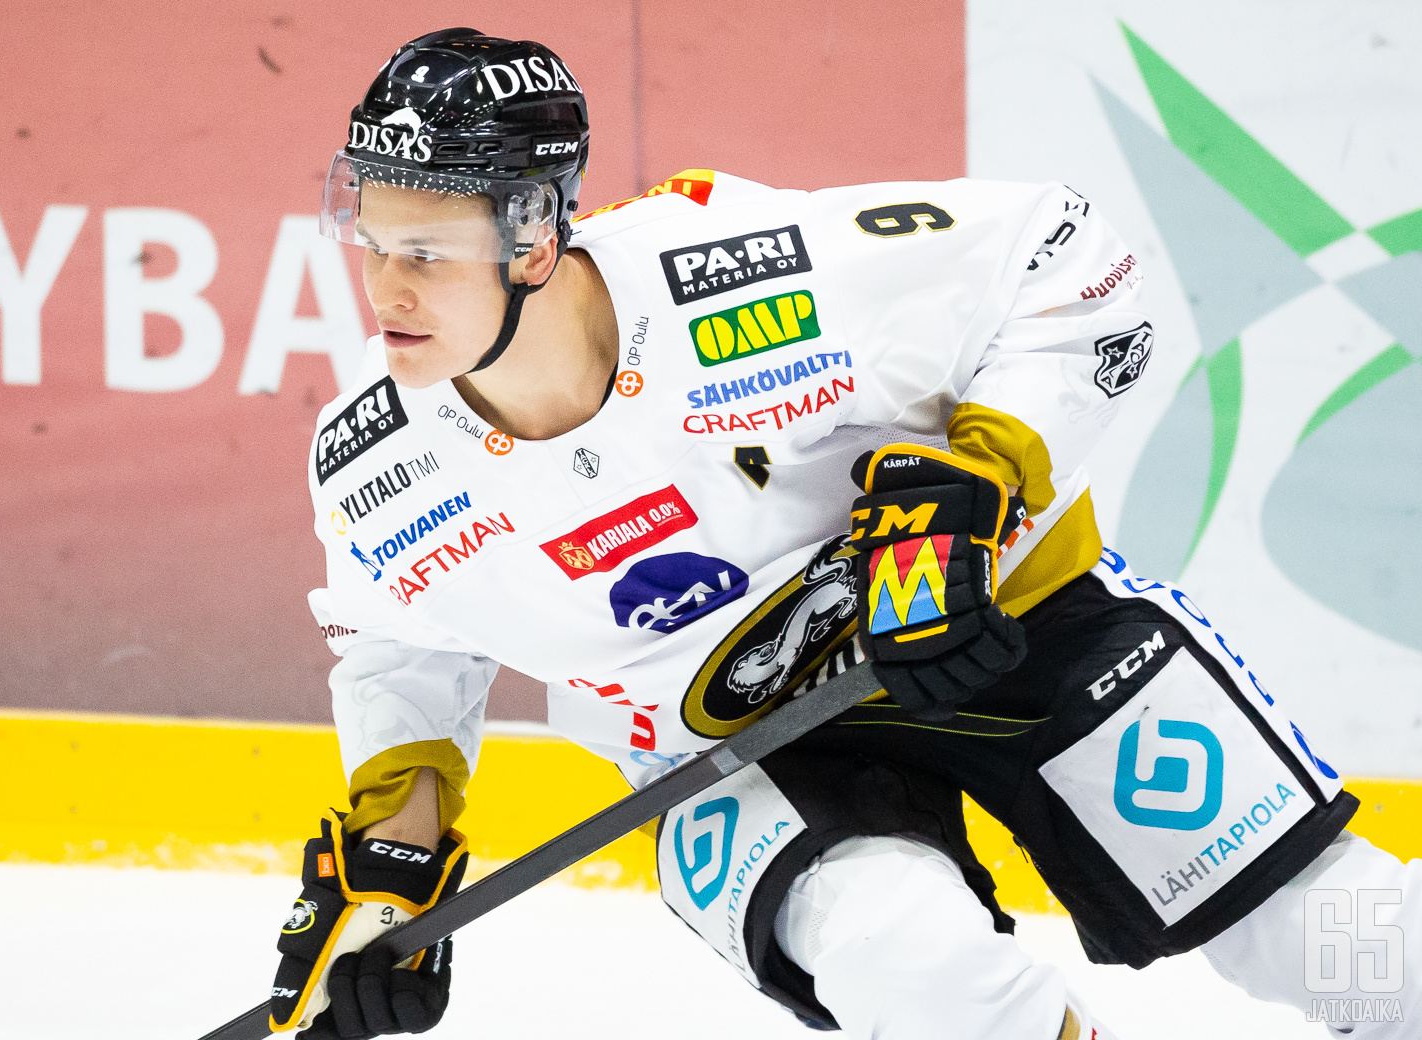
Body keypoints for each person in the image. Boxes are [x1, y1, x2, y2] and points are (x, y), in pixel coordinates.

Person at [266, 28, 1420, 1040]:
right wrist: (391, 867)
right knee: (915, 965)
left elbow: (1072, 263)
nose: (385, 289)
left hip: (1004, 625)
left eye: (426, 253)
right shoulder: (374, 463)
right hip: (731, 751)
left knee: (1355, 941)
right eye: (372, 243)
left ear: (530, 236)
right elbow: (404, 651)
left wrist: (969, 481)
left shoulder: (740, 277)